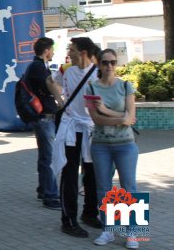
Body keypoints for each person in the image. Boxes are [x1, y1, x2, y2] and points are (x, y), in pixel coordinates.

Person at [86, 49, 139, 249]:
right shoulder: (91, 88)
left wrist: (107, 110)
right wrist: (121, 118)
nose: (109, 66)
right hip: (100, 145)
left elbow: (131, 116)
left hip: (125, 145)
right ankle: (108, 229)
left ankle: (133, 232)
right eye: (105, 62)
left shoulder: (126, 86)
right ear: (99, 64)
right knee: (103, 189)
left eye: (113, 62)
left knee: (129, 188)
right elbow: (96, 119)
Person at [51, 37, 100, 238]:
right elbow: (50, 81)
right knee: (69, 175)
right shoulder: (65, 70)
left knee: (93, 174)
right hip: (71, 129)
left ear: (83, 52)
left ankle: (89, 213)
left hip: (92, 129)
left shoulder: (99, 73)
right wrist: (60, 101)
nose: (68, 52)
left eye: (71, 49)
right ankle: (68, 220)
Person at [27, 37, 64, 210]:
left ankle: (43, 189)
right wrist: (61, 102)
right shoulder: (37, 67)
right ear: (46, 50)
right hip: (44, 117)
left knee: (45, 156)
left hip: (43, 117)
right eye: (52, 49)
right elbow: (51, 85)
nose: (54, 52)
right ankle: (50, 196)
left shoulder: (38, 66)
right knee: (49, 157)